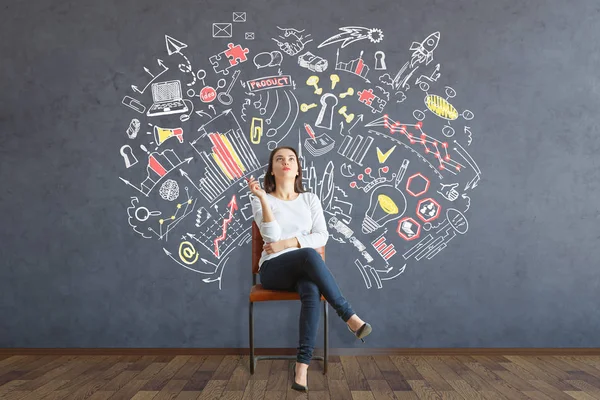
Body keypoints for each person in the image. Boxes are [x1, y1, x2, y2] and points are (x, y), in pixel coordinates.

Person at [247, 146, 372, 392]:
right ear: (271, 170)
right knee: (307, 254)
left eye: (291, 159)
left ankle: (302, 366)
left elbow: (322, 237)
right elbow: (270, 236)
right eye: (279, 159)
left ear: (297, 169)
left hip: (304, 269)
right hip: (273, 270)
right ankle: (348, 316)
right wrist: (263, 198)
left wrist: (288, 242)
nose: (286, 162)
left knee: (311, 289)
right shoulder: (260, 198)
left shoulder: (310, 199)